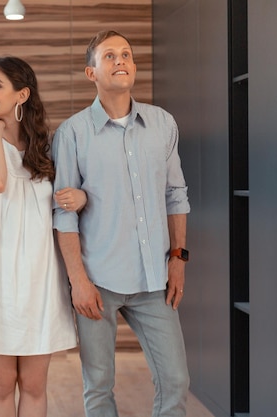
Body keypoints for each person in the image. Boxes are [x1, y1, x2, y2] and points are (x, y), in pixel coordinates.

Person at [52, 30, 191, 417]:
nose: (120, 61)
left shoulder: (163, 124)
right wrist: (78, 280)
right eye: (109, 55)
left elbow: (176, 195)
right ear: (90, 72)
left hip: (154, 280)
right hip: (98, 281)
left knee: (176, 381)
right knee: (98, 386)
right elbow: (63, 212)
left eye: (126, 54)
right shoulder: (72, 134)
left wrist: (178, 259)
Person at [0, 56, 78, 417]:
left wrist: (80, 196)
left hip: (42, 278)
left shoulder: (48, 149)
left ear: (21, 94)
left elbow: (76, 197)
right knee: (1, 384)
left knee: (36, 386)